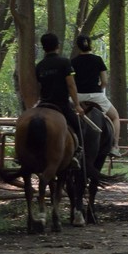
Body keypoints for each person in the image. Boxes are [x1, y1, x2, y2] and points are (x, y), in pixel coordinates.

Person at [35, 32, 85, 165]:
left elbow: (38, 86)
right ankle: (77, 153)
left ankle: (20, 155)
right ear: (57, 46)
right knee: (80, 126)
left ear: (43, 47)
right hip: (61, 104)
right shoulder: (65, 62)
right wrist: (77, 105)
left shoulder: (39, 66)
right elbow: (71, 84)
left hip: (43, 104)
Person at [72, 34, 122, 156]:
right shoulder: (98, 59)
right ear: (90, 44)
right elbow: (104, 81)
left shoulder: (72, 62)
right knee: (115, 117)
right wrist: (100, 89)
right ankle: (115, 146)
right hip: (95, 96)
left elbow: (71, 83)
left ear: (78, 46)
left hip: (77, 96)